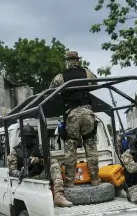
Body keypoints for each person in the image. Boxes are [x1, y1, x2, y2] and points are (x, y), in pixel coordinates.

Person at [49, 51, 99, 188]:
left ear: (67, 61)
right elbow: (96, 82)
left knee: (71, 149)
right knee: (91, 147)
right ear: (77, 60)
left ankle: (70, 182)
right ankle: (95, 179)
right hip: (88, 112)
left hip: (72, 114)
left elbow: (51, 90)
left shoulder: (60, 77)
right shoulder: (87, 73)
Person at [7, 124, 73, 207]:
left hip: (41, 175)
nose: (29, 139)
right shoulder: (15, 151)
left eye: (31, 137)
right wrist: (20, 173)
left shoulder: (39, 148)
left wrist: (38, 160)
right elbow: (11, 169)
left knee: (54, 163)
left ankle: (58, 196)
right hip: (27, 179)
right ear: (22, 137)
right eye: (27, 137)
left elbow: (49, 161)